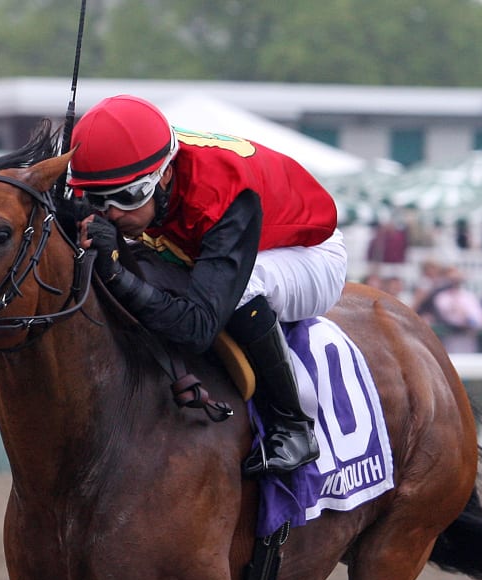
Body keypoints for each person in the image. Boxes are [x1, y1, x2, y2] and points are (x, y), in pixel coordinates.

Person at [69, 94, 346, 475]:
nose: (112, 213)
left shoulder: (222, 193)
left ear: (165, 173)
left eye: (128, 197)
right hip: (195, 246)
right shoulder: (126, 174)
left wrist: (118, 275)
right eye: (99, 199)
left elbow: (197, 328)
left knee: (245, 285)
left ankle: (292, 425)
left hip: (307, 253)